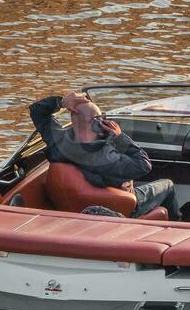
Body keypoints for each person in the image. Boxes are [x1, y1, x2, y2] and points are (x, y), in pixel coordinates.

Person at [29, 91, 181, 220]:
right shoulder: (107, 158)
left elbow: (37, 111)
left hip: (81, 202)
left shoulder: (58, 141)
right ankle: (178, 222)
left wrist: (61, 101)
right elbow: (144, 164)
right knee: (168, 185)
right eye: (101, 118)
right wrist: (120, 137)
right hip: (121, 205)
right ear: (96, 123)